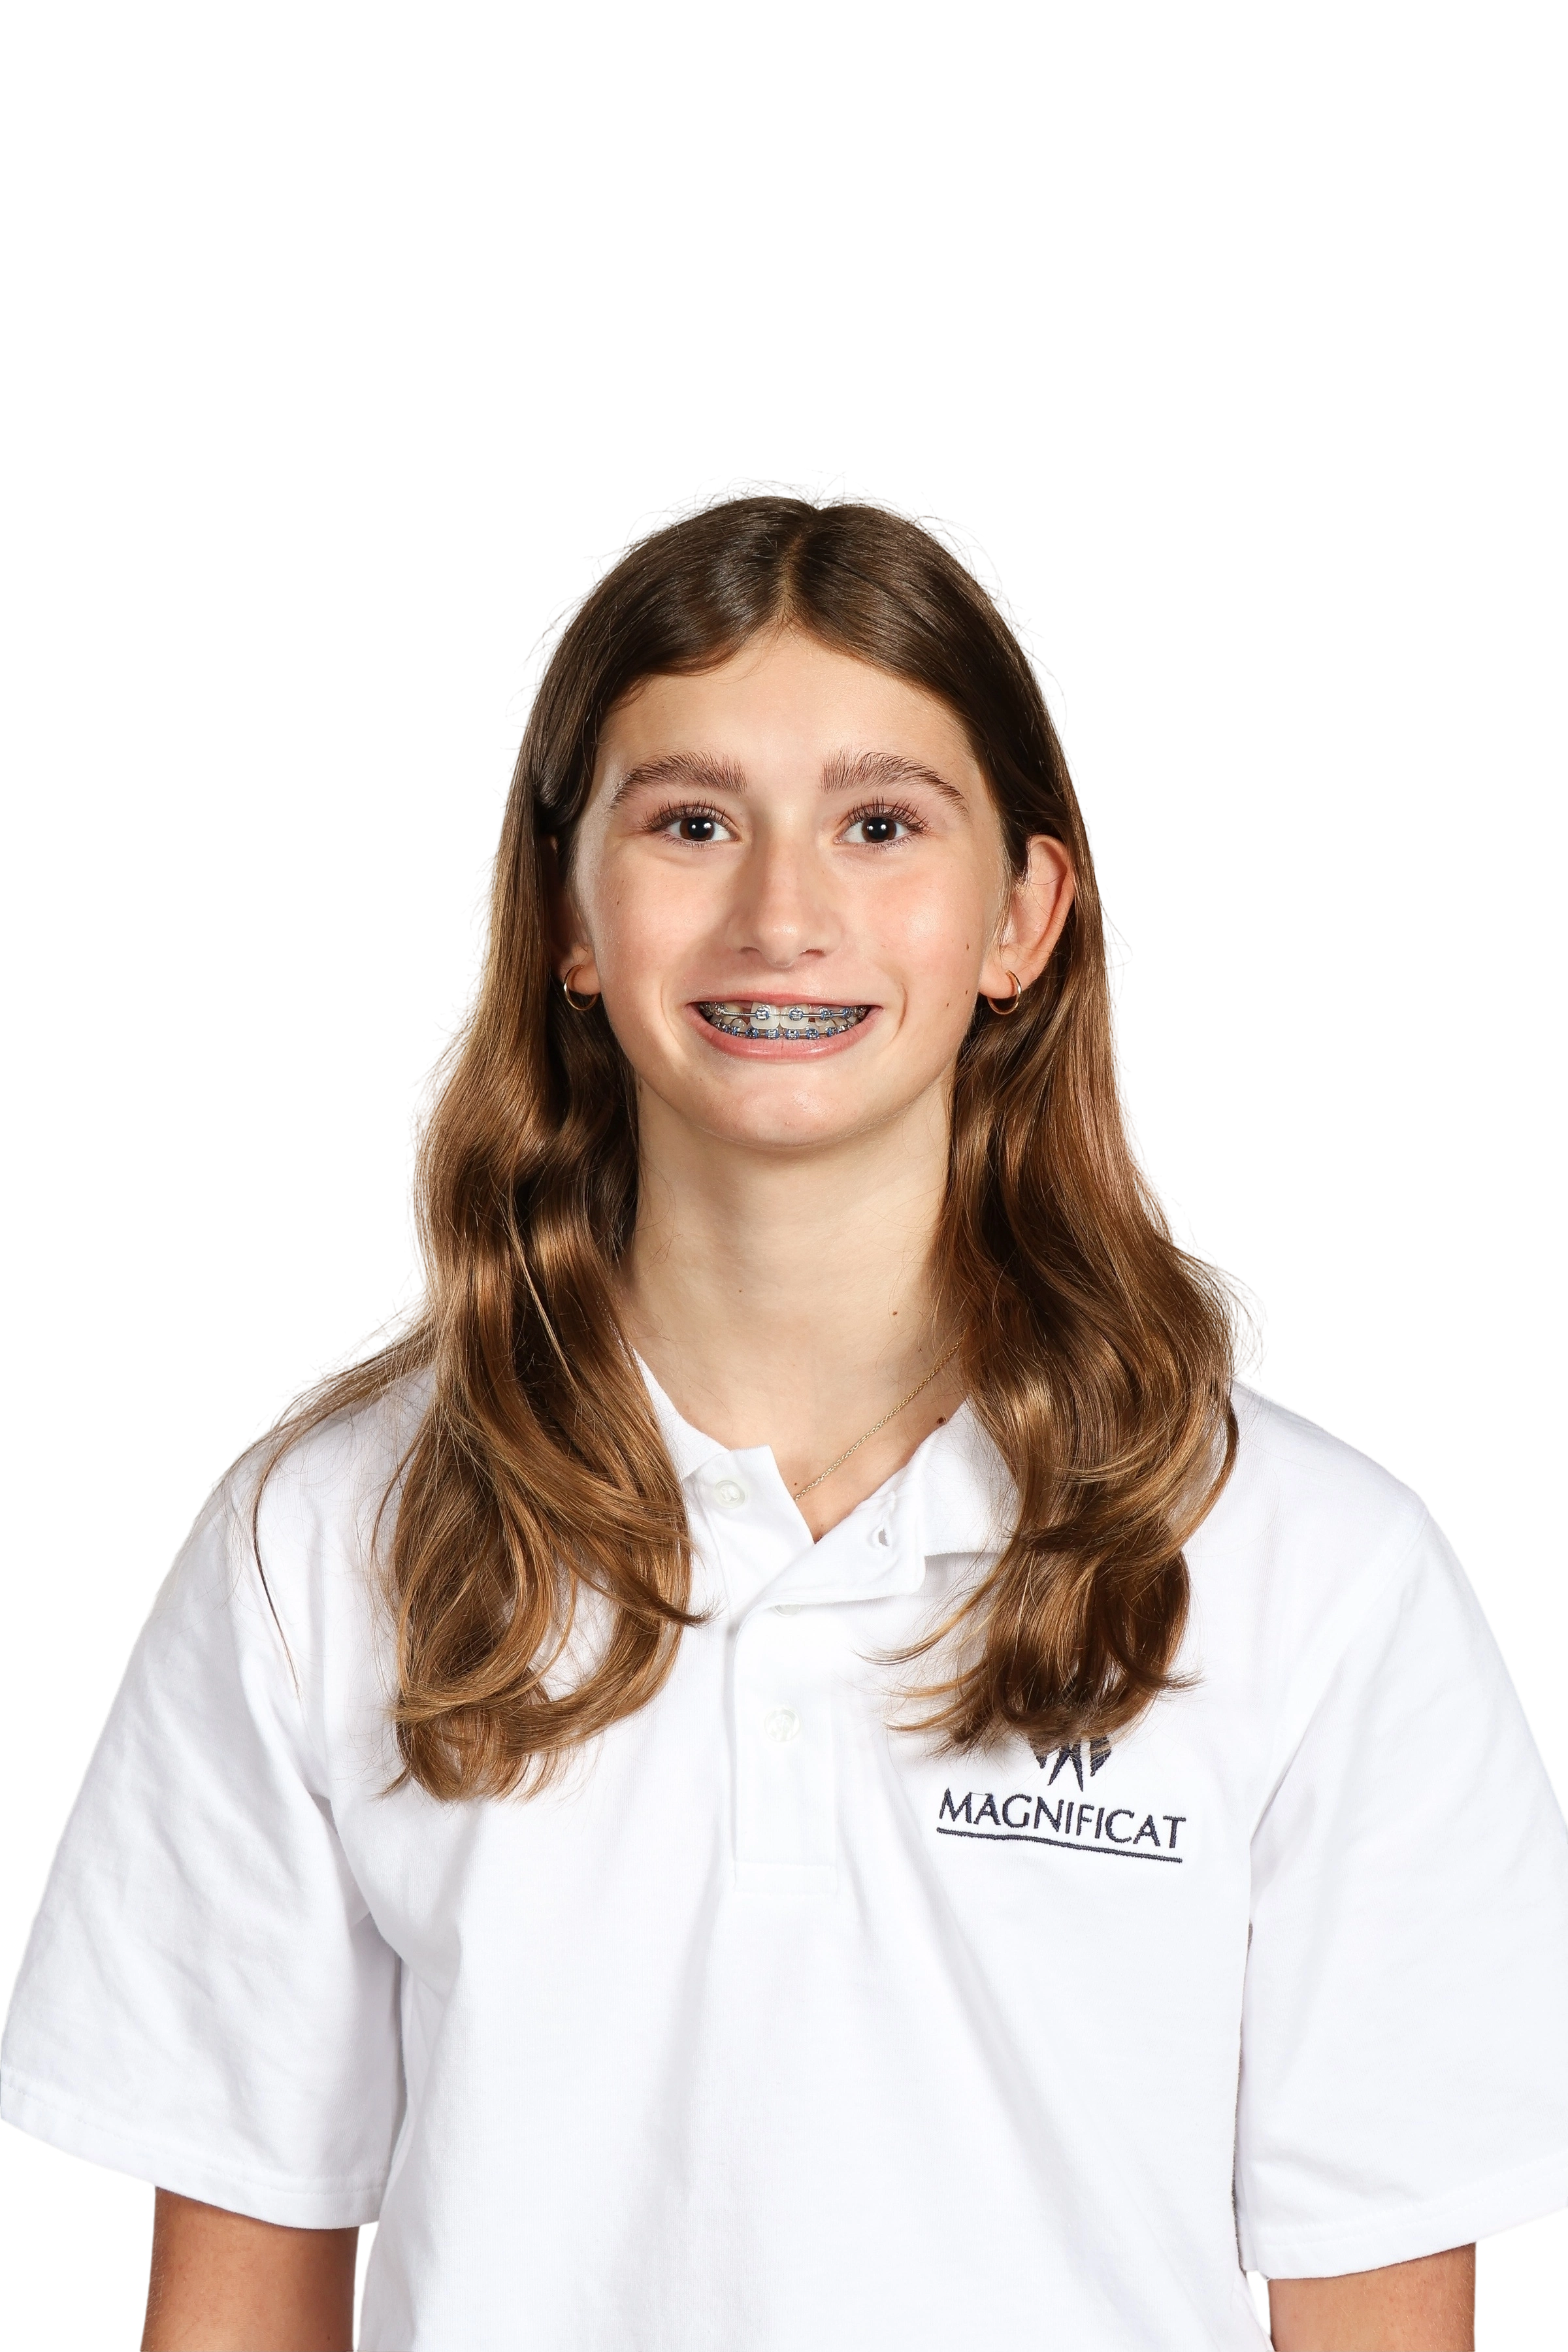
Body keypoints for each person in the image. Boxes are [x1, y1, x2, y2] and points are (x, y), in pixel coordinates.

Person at [2, 476, 1563, 2352]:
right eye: (692, 821)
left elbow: (1379, 2300)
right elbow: (241, 2299)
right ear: (569, 913)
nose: (782, 915)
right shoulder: (323, 1545)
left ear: (1022, 915)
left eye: (880, 823)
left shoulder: (1310, 1567)